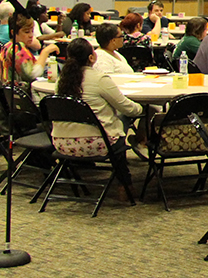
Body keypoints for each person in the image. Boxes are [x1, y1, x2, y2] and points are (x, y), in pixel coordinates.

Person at [52, 38, 144, 197]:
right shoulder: (99, 79)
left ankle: (124, 184)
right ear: (91, 57)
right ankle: (125, 184)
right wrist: (142, 108)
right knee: (121, 123)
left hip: (61, 143)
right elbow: (129, 108)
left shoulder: (61, 81)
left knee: (111, 123)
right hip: (96, 144)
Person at [2, 14, 59, 86]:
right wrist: (45, 52)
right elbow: (33, 74)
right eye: (26, 32)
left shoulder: (6, 46)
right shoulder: (17, 48)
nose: (31, 35)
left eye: (32, 31)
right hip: (20, 94)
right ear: (13, 33)